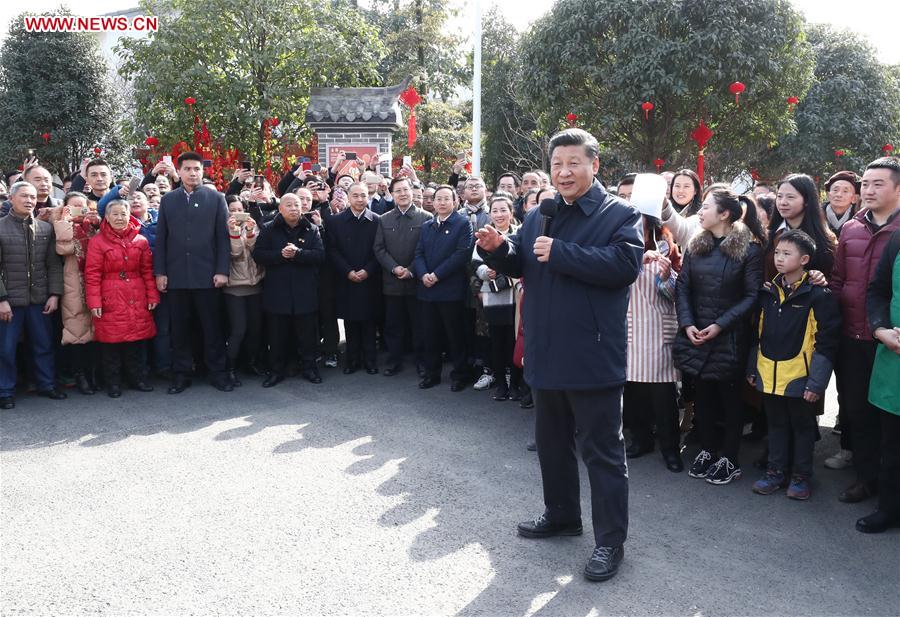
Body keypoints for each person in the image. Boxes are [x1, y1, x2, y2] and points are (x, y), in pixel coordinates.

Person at [475, 128, 643, 582]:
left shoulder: (619, 214)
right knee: (551, 444)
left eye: (574, 163)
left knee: (603, 452)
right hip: (546, 350)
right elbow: (527, 260)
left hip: (591, 355)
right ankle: (563, 515)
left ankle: (610, 541)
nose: (564, 172)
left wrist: (563, 252)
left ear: (595, 165)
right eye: (557, 164)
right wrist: (501, 250)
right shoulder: (541, 213)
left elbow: (625, 266)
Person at [674, 188, 763, 485]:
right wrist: (687, 324)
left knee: (730, 398)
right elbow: (683, 288)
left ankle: (730, 457)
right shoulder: (695, 246)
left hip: (729, 336)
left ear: (724, 214)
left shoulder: (749, 250)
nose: (700, 211)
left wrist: (720, 326)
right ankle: (709, 450)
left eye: (707, 206)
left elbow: (751, 296)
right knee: (702, 395)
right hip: (696, 332)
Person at [748, 230, 840, 500]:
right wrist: (752, 369)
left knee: (802, 427)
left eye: (787, 253)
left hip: (801, 376)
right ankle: (775, 472)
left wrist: (817, 382)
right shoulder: (768, 292)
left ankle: (801, 476)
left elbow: (826, 341)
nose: (779, 258)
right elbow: (756, 333)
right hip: (769, 372)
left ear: (804, 259)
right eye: (777, 252)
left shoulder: (818, 295)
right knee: (775, 424)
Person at [829, 156, 900, 505]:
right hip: (853, 335)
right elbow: (839, 279)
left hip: (891, 341)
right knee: (857, 412)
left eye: (878, 184)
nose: (869, 191)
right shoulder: (851, 228)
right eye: (866, 184)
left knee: (891, 418)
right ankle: (866, 478)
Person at [154, 151, 232, 394]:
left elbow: (223, 238)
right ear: (179, 172)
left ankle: (218, 373)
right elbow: (161, 239)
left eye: (196, 169)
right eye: (187, 168)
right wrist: (160, 272)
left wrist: (222, 270)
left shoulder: (216, 198)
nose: (192, 173)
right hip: (176, 276)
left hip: (207, 275)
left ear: (202, 171)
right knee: (180, 329)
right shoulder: (168, 200)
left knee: (212, 328)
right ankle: (182, 374)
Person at [623, 200, 683, 473]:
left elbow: (676, 293)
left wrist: (667, 276)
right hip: (629, 326)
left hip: (658, 326)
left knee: (663, 394)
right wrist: (636, 263)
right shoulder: (618, 246)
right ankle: (640, 440)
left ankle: (671, 448)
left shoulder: (667, 247)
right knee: (633, 390)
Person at [0, 182, 66, 408]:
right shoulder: (0, 227)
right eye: (24, 196)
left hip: (39, 299)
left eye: (32, 196)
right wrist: (2, 300)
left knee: (43, 344)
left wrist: (54, 294)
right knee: (6, 349)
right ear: (11, 198)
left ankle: (46, 384)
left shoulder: (45, 228)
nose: (29, 200)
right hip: (10, 302)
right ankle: (5, 391)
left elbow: (54, 266)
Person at [84, 201, 157, 398]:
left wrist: (152, 295)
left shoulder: (140, 240)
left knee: (135, 342)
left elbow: (147, 271)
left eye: (123, 213)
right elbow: (92, 275)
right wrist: (95, 302)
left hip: (136, 294)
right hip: (110, 295)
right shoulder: (98, 242)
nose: (119, 218)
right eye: (114, 214)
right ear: (106, 217)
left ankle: (137, 379)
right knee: (111, 345)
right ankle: (113, 383)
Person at [253, 191, 325, 387]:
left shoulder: (311, 229)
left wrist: (298, 254)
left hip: (305, 291)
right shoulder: (268, 229)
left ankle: (310, 368)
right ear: (280, 209)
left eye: (297, 205)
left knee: (307, 336)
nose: (294, 208)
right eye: (290, 205)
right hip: (278, 292)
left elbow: (320, 256)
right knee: (276, 337)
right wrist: (280, 255)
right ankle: (276, 371)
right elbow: (258, 255)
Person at [860, 228, 900, 532]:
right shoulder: (897, 239)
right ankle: (889, 508)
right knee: (893, 442)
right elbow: (878, 290)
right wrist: (880, 328)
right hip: (894, 355)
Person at [416, 185, 474, 391]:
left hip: (450, 290)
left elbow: (461, 254)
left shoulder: (463, 223)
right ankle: (432, 374)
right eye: (437, 199)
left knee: (455, 335)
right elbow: (419, 253)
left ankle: (460, 374)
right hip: (427, 289)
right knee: (430, 335)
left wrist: (437, 275)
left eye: (445, 199)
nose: (440, 202)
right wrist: (423, 274)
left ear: (454, 201)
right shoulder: (427, 225)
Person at [374, 176, 432, 377]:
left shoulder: (426, 217)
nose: (403, 194)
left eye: (406, 189)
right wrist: (394, 268)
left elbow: (427, 249)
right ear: (392, 194)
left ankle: (422, 362)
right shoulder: (384, 219)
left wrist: (411, 269)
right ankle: (394, 361)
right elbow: (379, 249)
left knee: (419, 325)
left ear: (412, 190)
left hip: (417, 281)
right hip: (392, 282)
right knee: (393, 325)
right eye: (398, 190)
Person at [327, 181, 382, 374]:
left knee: (369, 322)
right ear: (348, 198)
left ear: (369, 197)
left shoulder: (377, 220)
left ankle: (370, 361)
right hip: (346, 278)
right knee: (350, 322)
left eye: (363, 195)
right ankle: (352, 360)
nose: (360, 199)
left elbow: (380, 251)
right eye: (356, 196)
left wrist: (368, 270)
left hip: (370, 278)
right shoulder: (335, 221)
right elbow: (332, 251)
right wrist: (347, 271)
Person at [472, 193, 522, 401]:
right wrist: (485, 272)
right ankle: (501, 383)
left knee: (515, 341)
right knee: (497, 342)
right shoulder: (483, 237)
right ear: (489, 213)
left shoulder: (519, 235)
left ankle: (516, 384)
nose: (499, 214)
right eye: (495, 210)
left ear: (511, 213)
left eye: (504, 210)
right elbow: (475, 264)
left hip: (516, 298)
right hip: (493, 297)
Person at [52, 192, 102, 395]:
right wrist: (64, 220)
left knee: (96, 331)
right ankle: (80, 375)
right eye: (73, 206)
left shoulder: (93, 227)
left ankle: (94, 374)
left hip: (96, 282)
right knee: (76, 332)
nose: (79, 211)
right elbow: (63, 248)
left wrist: (97, 223)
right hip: (72, 285)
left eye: (82, 206)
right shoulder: (60, 225)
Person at [224, 194, 265, 385]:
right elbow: (235, 252)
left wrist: (250, 231)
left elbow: (256, 250)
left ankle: (251, 362)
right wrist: (233, 231)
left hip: (255, 284)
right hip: (234, 288)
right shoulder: (223, 229)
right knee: (238, 330)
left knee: (255, 330)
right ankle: (230, 368)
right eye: (232, 210)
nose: (237, 213)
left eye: (240, 209)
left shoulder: (251, 227)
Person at [765, 174, 836, 281]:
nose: (782, 202)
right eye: (779, 196)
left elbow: (834, 276)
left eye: (790, 197)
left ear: (807, 200)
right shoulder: (767, 235)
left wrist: (821, 279)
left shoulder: (827, 239)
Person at [659, 169, 702, 247]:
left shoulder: (702, 214)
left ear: (695, 190)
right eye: (677, 186)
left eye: (686, 186)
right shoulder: (661, 211)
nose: (680, 190)